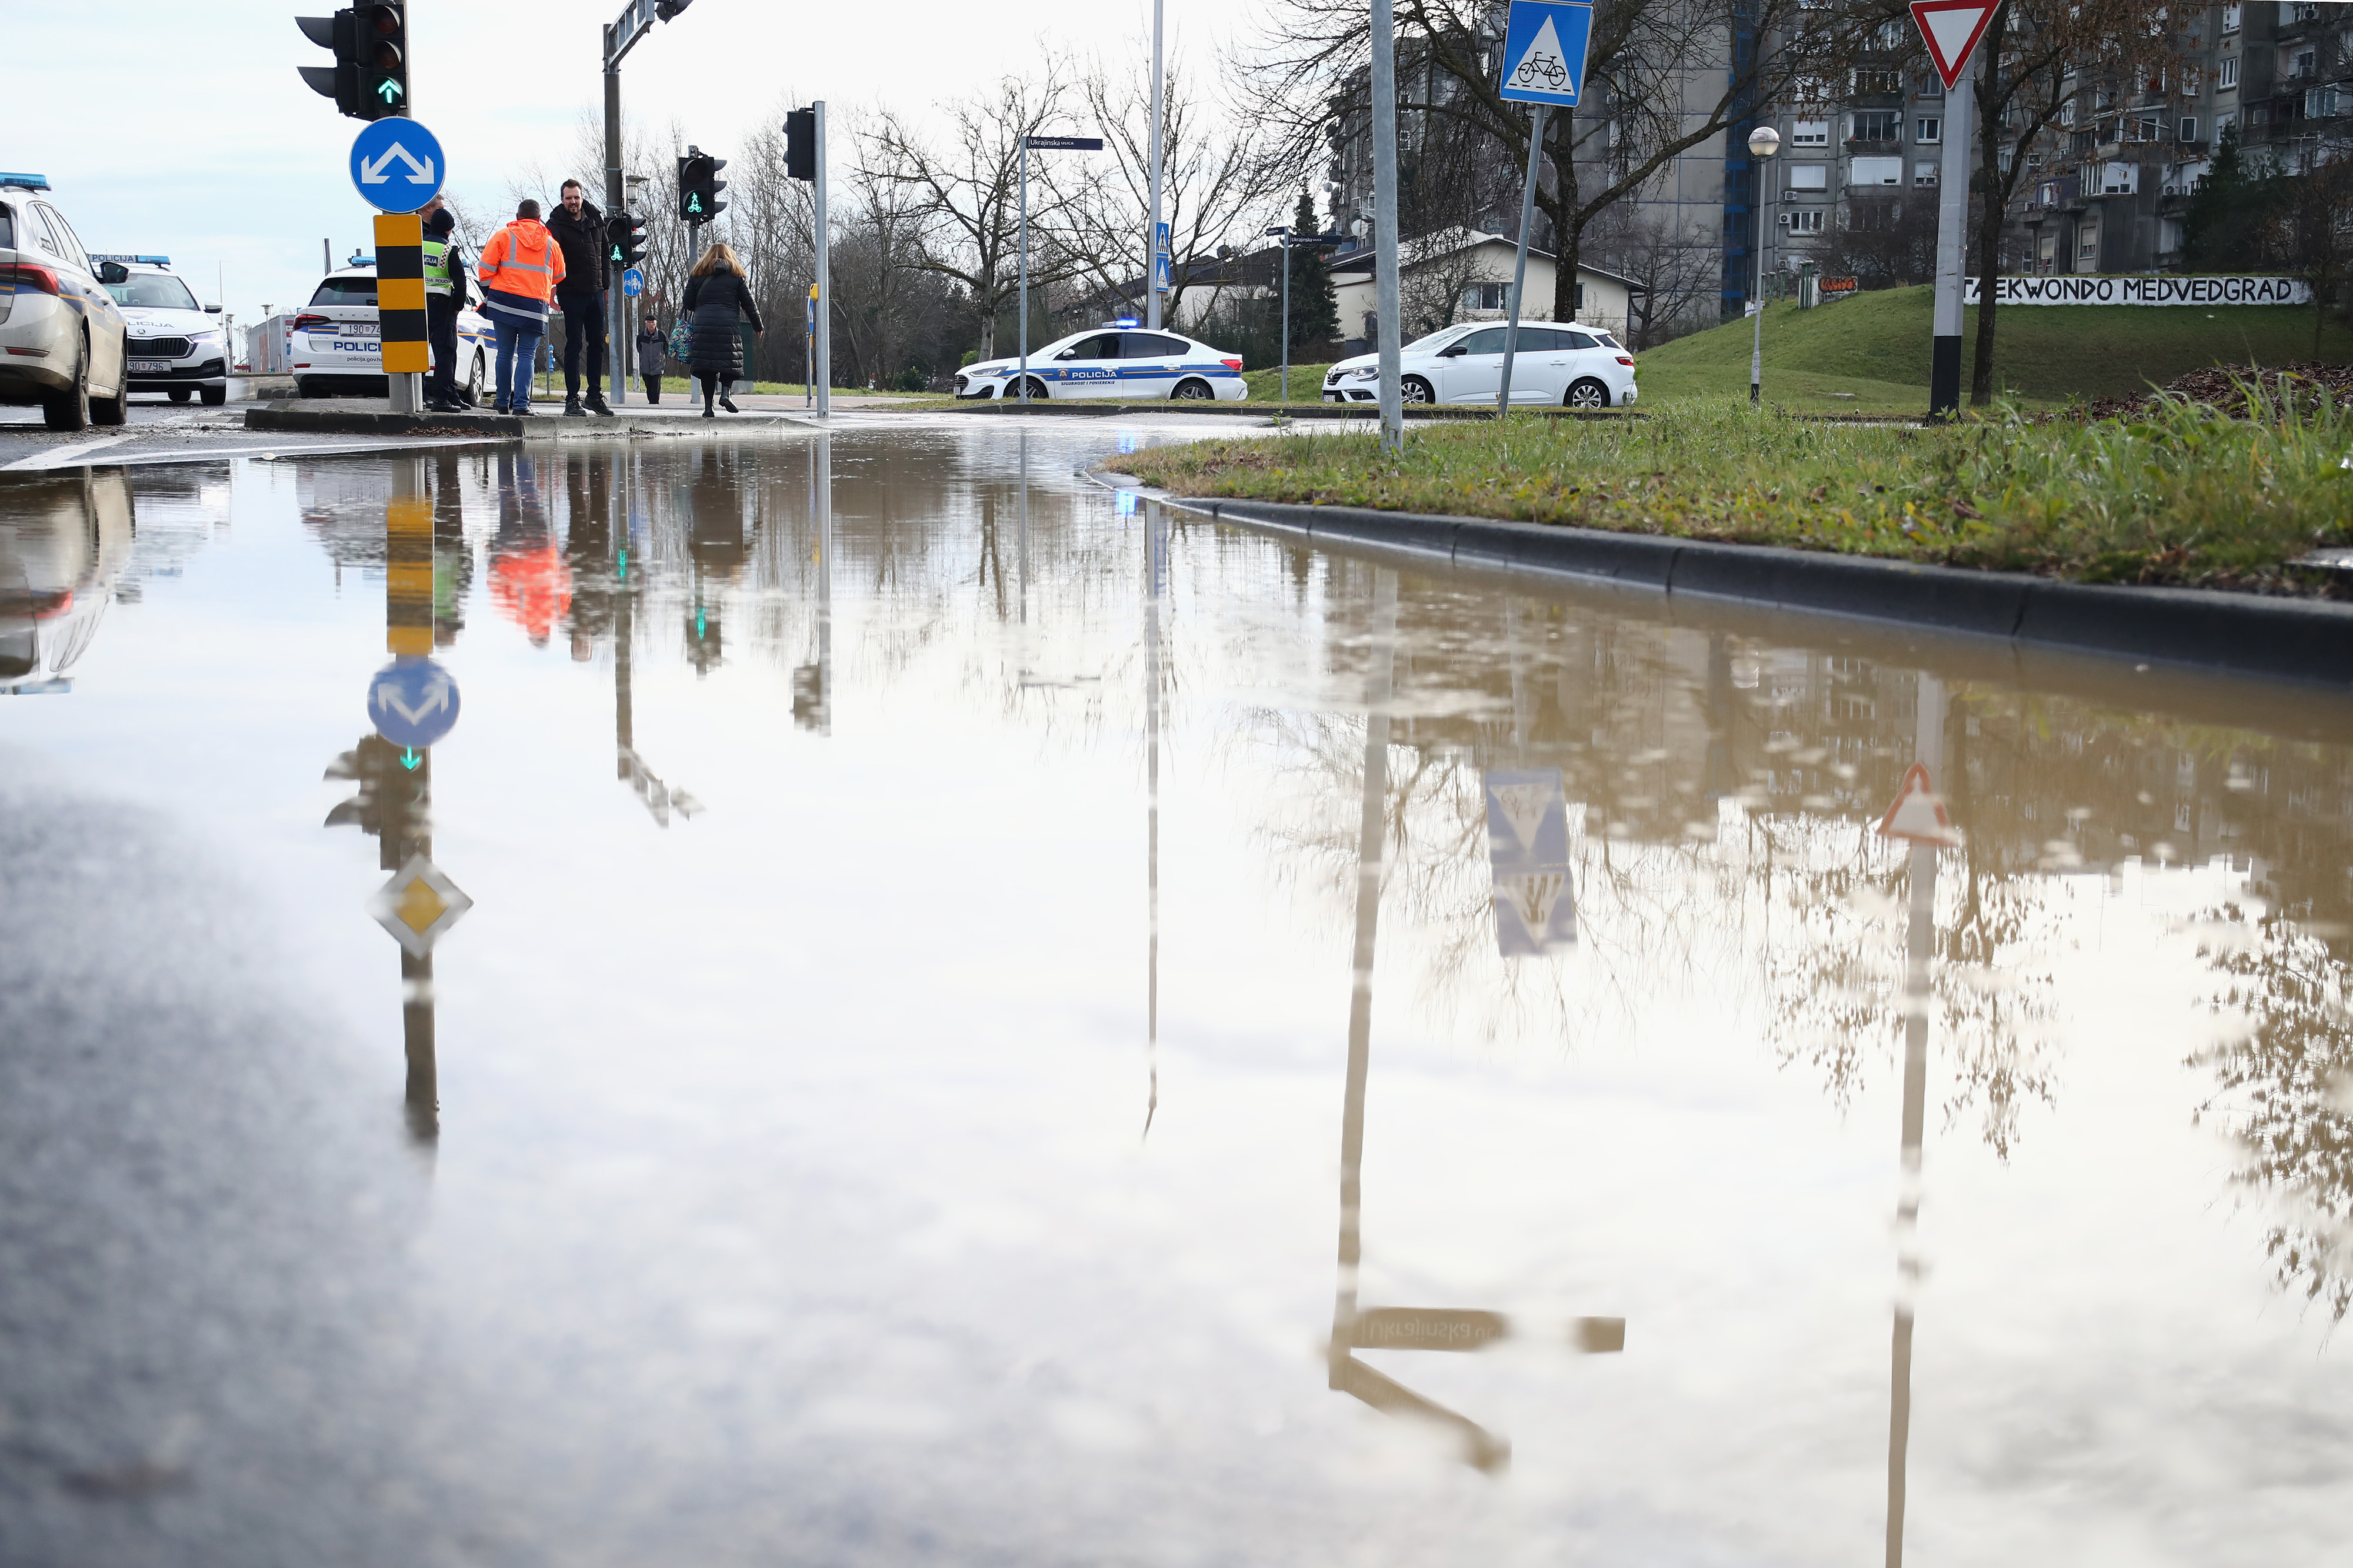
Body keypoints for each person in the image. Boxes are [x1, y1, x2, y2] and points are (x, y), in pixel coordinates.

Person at [477, 198, 565, 417]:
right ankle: (521, 405)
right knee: (527, 355)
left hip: (504, 303)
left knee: (505, 353)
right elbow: (560, 275)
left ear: (517, 218)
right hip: (535, 307)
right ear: (538, 218)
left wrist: (492, 293)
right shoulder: (552, 244)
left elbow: (485, 270)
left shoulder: (504, 236)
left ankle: (501, 403)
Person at [545, 178, 612, 417]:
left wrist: (605, 284)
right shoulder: (555, 226)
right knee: (574, 345)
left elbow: (605, 252)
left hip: (595, 293)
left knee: (597, 346)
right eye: (568, 198)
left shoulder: (596, 221)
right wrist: (554, 288)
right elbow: (551, 260)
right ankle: (572, 399)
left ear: (582, 198)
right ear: (562, 200)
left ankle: (594, 395)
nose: (573, 202)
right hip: (571, 293)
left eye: (576, 197)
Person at [682, 243, 762, 418]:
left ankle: (708, 408)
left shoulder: (697, 275)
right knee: (729, 361)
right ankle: (726, 394)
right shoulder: (736, 275)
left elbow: (687, 302)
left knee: (707, 367)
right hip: (728, 326)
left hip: (703, 326)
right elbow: (749, 303)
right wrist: (758, 325)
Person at [418, 194, 466, 412]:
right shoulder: (449, 250)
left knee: (418, 352)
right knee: (445, 353)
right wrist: (457, 308)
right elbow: (460, 282)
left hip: (419, 306)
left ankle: (419, 396)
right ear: (448, 229)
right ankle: (441, 399)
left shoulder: (418, 245)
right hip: (442, 308)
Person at [635, 313, 666, 405]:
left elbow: (666, 348)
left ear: (656, 324)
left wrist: (662, 359)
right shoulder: (641, 336)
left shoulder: (661, 335)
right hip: (646, 365)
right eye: (649, 323)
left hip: (658, 365)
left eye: (653, 322)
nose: (651, 325)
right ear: (646, 324)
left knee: (656, 384)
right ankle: (651, 401)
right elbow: (639, 348)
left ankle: (655, 402)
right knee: (648, 385)